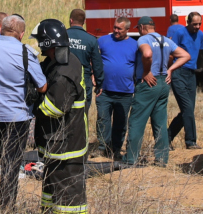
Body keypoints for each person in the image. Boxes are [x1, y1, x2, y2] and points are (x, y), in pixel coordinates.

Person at [0, 15, 47, 214]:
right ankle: (6, 207)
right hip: (17, 116)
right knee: (12, 161)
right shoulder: (26, 52)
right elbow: (42, 86)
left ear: (1, 29)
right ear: (21, 34)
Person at [31, 19, 87, 214]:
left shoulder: (63, 73)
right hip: (57, 140)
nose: (38, 44)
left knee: (67, 189)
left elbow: (54, 107)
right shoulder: (61, 61)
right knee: (52, 183)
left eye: (40, 41)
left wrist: (33, 105)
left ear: (48, 43)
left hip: (66, 143)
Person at [123, 17, 189, 167]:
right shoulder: (166, 40)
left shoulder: (144, 39)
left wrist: (146, 71)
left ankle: (131, 159)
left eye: (138, 29)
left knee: (137, 121)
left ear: (141, 27)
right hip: (163, 83)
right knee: (159, 121)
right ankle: (161, 159)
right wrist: (170, 69)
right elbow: (185, 55)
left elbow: (146, 54)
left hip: (148, 83)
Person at [95, 17, 137, 159]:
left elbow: (140, 65)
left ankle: (116, 149)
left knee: (120, 122)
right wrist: (93, 75)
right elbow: (92, 57)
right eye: (114, 27)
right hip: (104, 90)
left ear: (127, 30)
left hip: (125, 92)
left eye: (119, 29)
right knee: (103, 119)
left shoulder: (134, 45)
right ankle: (103, 148)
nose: (116, 31)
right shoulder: (103, 40)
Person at [167, 12, 203, 149]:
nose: (197, 26)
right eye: (195, 24)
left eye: (199, 24)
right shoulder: (179, 33)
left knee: (188, 110)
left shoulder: (200, 35)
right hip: (178, 72)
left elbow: (200, 53)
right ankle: (191, 141)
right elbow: (171, 53)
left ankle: (166, 138)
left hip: (191, 74)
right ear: (188, 22)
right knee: (187, 108)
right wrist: (169, 70)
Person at [65, 9, 104, 118]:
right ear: (84, 22)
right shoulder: (91, 40)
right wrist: (99, 83)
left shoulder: (63, 35)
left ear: (70, 20)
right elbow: (97, 64)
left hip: (65, 77)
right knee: (82, 114)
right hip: (84, 79)